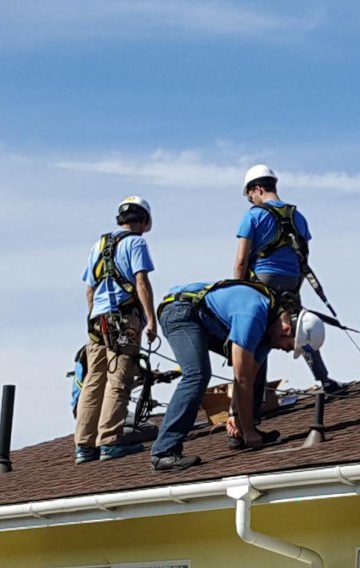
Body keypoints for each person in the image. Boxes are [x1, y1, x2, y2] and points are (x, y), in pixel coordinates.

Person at [149, 280, 326, 471]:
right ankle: (163, 452)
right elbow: (242, 379)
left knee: (253, 365)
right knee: (197, 374)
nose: (286, 351)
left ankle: (239, 431)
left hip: (203, 319)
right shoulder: (252, 316)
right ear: (286, 330)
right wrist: (250, 432)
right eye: (290, 346)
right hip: (180, 312)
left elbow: (247, 376)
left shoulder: (268, 332)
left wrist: (235, 416)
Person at [232, 164, 343, 428]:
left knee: (258, 338)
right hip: (292, 280)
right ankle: (324, 379)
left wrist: (236, 293)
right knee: (299, 329)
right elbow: (304, 255)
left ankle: (253, 405)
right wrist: (296, 285)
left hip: (263, 280)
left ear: (257, 189)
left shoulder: (253, 216)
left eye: (251, 195)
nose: (251, 200)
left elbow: (240, 260)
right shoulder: (298, 216)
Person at [74, 196, 157, 464]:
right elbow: (141, 282)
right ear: (144, 220)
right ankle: (109, 440)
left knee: (93, 380)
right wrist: (150, 319)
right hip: (123, 318)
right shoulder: (136, 242)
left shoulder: (98, 245)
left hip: (96, 320)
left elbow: (89, 288)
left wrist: (94, 316)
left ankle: (84, 445)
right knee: (118, 380)